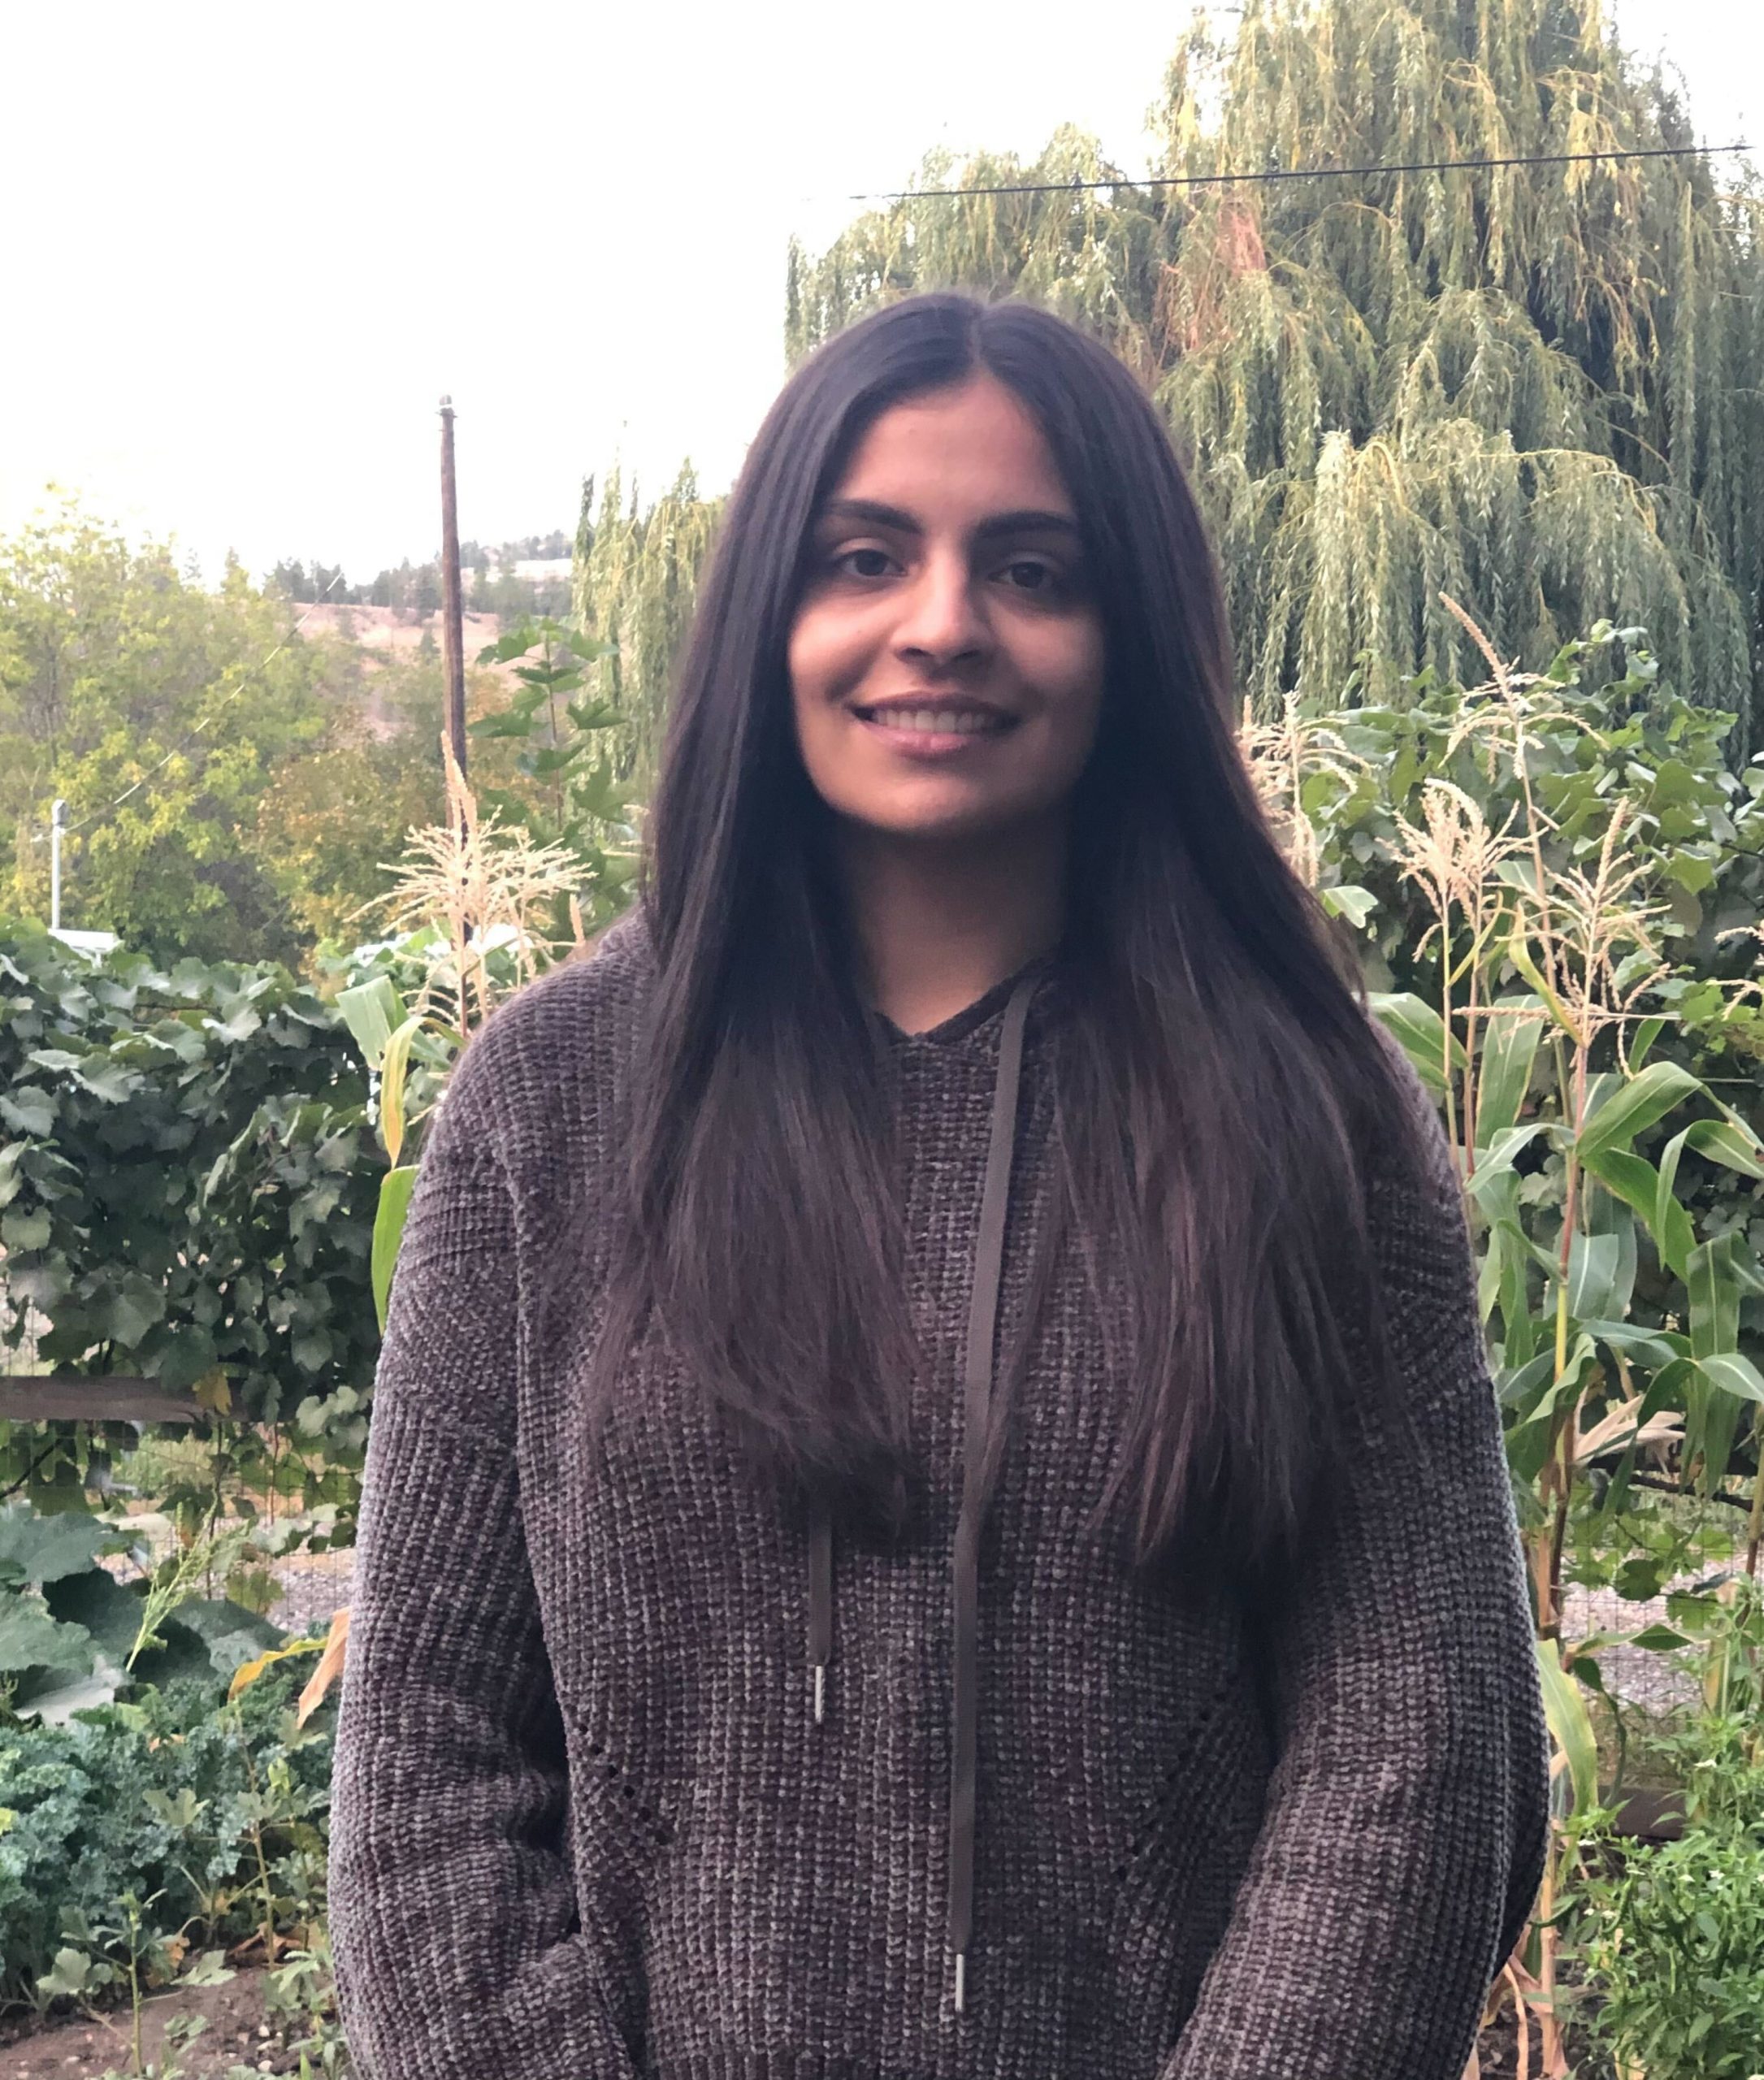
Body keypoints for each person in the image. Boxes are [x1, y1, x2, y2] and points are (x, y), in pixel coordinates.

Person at [327, 291, 1549, 2080]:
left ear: (1131, 635)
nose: (944, 622)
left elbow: (1418, 1744)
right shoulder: (555, 1101)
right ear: (771, 613)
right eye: (866, 556)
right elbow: (429, 1757)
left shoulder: (1308, 1108)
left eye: (1033, 569)